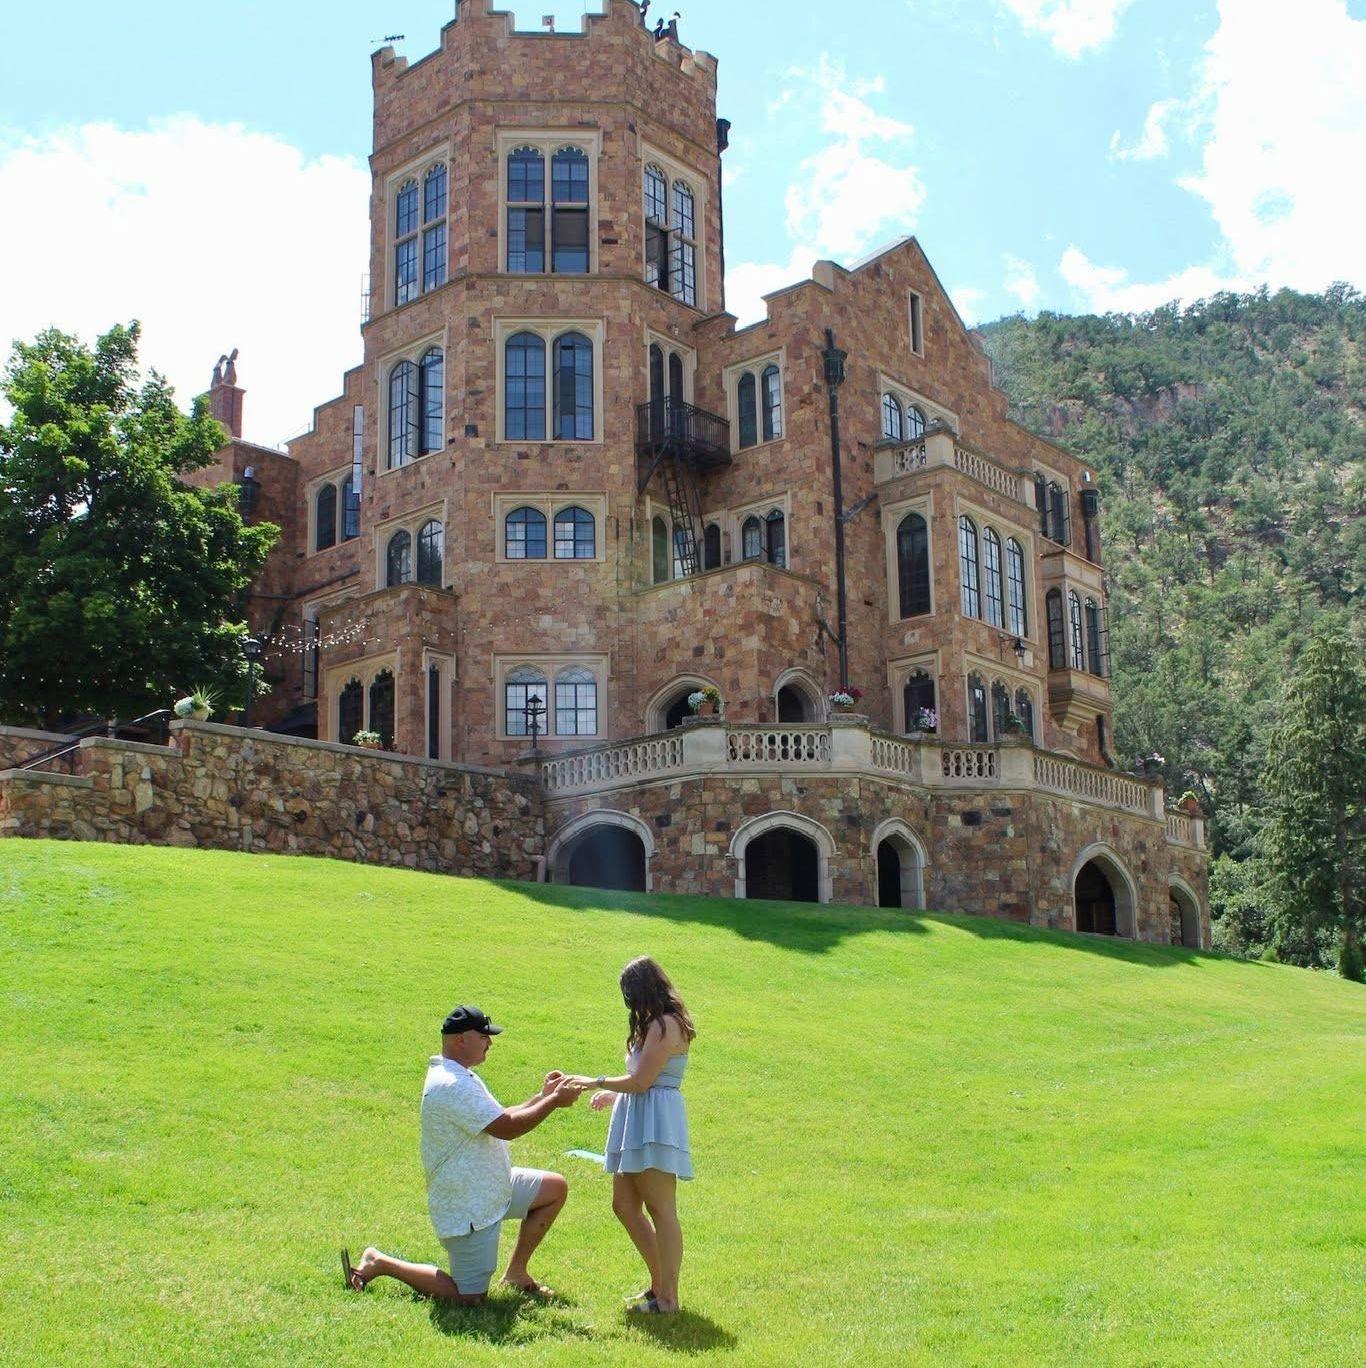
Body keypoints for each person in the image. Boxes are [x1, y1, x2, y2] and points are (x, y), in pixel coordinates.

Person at [343, 1004, 581, 1303]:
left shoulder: (458, 1073)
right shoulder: (452, 1084)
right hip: (467, 1203)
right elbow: (506, 1128)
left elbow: (499, 1115)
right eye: (483, 1036)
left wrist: (542, 1096)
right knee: (469, 1298)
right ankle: (380, 1262)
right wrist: (554, 1101)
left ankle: (516, 1273)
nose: (490, 1042)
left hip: (490, 1184)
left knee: (553, 1188)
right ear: (461, 1039)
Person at [563, 956, 695, 1315]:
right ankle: (659, 1285)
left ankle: (668, 1299)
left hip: (655, 1122)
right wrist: (614, 1095)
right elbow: (641, 1080)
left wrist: (595, 1082)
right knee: (624, 1205)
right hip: (638, 1115)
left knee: (661, 1208)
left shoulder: (666, 1025)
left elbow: (643, 1081)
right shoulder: (652, 1024)